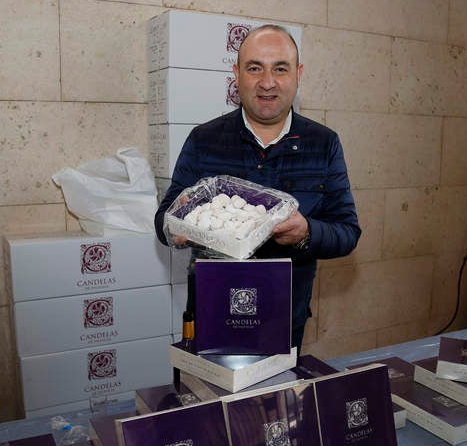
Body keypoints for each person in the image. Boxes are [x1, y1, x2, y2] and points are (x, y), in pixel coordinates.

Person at [154, 24, 361, 354]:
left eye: (280, 68)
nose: (268, 82)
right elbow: (163, 222)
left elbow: (347, 233)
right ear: (237, 74)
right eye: (254, 68)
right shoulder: (204, 139)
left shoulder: (324, 144)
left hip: (285, 317)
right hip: (212, 311)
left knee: (274, 405)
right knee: (209, 400)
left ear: (298, 74)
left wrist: (306, 232)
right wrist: (174, 225)